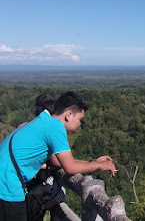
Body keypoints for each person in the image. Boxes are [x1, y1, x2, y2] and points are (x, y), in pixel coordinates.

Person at [0, 91, 117, 221]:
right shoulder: (55, 127)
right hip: (7, 186)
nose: (80, 124)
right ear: (69, 115)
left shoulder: (44, 120)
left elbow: (57, 162)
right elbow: (70, 167)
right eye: (80, 119)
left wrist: (91, 162)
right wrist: (99, 166)